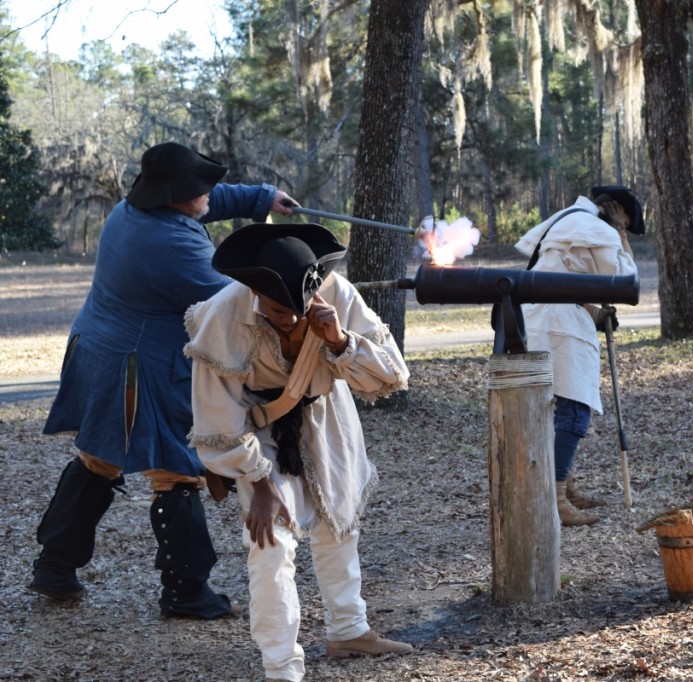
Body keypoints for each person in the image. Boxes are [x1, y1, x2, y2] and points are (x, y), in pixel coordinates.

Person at [30, 141, 298, 619]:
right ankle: (186, 591)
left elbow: (210, 200)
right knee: (176, 470)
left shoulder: (130, 210)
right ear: (175, 196)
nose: (207, 196)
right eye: (200, 190)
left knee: (97, 458)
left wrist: (262, 198)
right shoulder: (172, 244)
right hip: (137, 366)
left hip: (100, 348)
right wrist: (294, 287)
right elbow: (236, 305)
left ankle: (54, 566)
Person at [185, 223, 413, 680]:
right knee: (270, 544)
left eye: (298, 308)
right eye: (277, 309)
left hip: (327, 412)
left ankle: (348, 630)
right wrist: (259, 482)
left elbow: (391, 375)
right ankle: (282, 668)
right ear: (253, 292)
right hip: (259, 427)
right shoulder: (221, 316)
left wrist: (339, 341)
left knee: (339, 521)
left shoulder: (338, 294)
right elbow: (217, 418)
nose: (290, 318)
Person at [514, 185, 643, 526]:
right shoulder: (598, 229)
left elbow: (564, 279)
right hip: (560, 325)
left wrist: (593, 311)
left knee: (557, 409)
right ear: (615, 211)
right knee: (573, 411)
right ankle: (554, 499)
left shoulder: (565, 222)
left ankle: (563, 485)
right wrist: (617, 233)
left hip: (540, 320)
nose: (624, 229)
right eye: (626, 222)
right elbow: (626, 281)